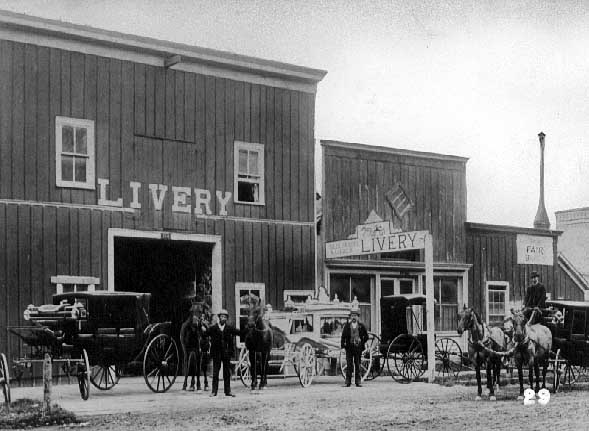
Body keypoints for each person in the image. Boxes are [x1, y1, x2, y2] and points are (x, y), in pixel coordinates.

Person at [204, 309, 241, 397]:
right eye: (221, 316)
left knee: (226, 373)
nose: (223, 318)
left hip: (226, 354)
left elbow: (239, 332)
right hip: (216, 354)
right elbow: (204, 334)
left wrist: (248, 328)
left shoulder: (229, 328)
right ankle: (214, 391)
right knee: (215, 373)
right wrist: (202, 327)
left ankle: (228, 391)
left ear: (226, 319)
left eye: (225, 317)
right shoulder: (213, 328)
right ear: (219, 318)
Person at [340, 307, 369, 387]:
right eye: (352, 315)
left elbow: (366, 336)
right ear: (350, 317)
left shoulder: (361, 326)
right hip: (349, 348)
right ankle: (348, 382)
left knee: (357, 364)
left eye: (355, 315)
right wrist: (342, 347)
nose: (354, 317)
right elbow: (343, 337)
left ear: (358, 317)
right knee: (349, 364)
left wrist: (361, 341)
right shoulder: (347, 326)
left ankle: (358, 382)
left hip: (358, 348)